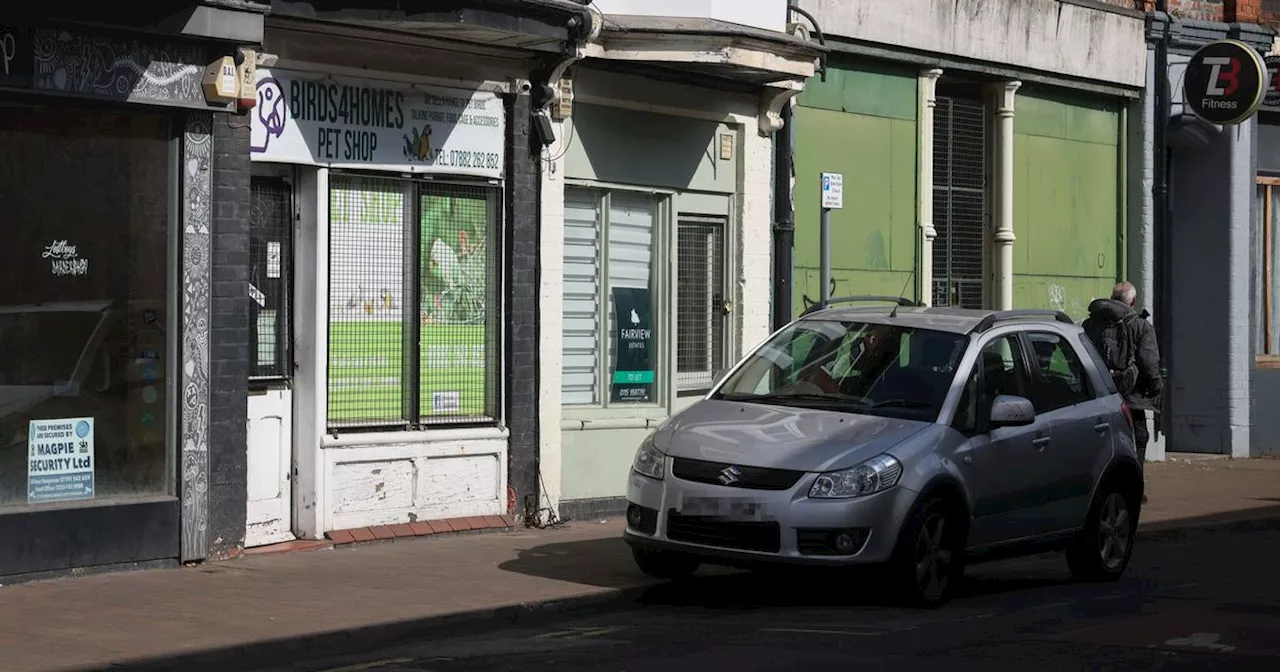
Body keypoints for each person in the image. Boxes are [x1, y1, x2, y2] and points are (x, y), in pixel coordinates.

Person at [1083, 282, 1162, 502]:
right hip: (1131, 395)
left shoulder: (1092, 323)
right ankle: (1134, 491)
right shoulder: (1140, 326)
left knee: (1101, 441)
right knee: (1138, 439)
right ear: (1133, 301)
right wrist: (1156, 386)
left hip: (1098, 394)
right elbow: (1149, 362)